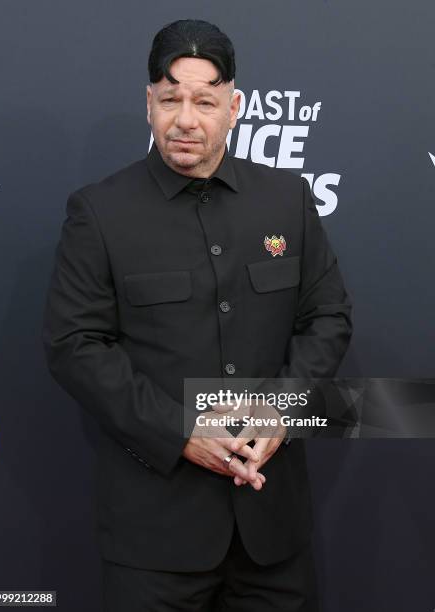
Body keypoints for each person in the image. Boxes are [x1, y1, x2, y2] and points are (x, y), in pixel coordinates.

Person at [42, 18, 352, 612]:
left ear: (234, 106)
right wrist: (180, 432)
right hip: (154, 538)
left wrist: (283, 408)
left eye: (205, 100)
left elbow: (329, 315)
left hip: (273, 532)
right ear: (149, 103)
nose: (186, 119)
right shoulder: (100, 213)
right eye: (170, 99)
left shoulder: (287, 200)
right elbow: (74, 345)